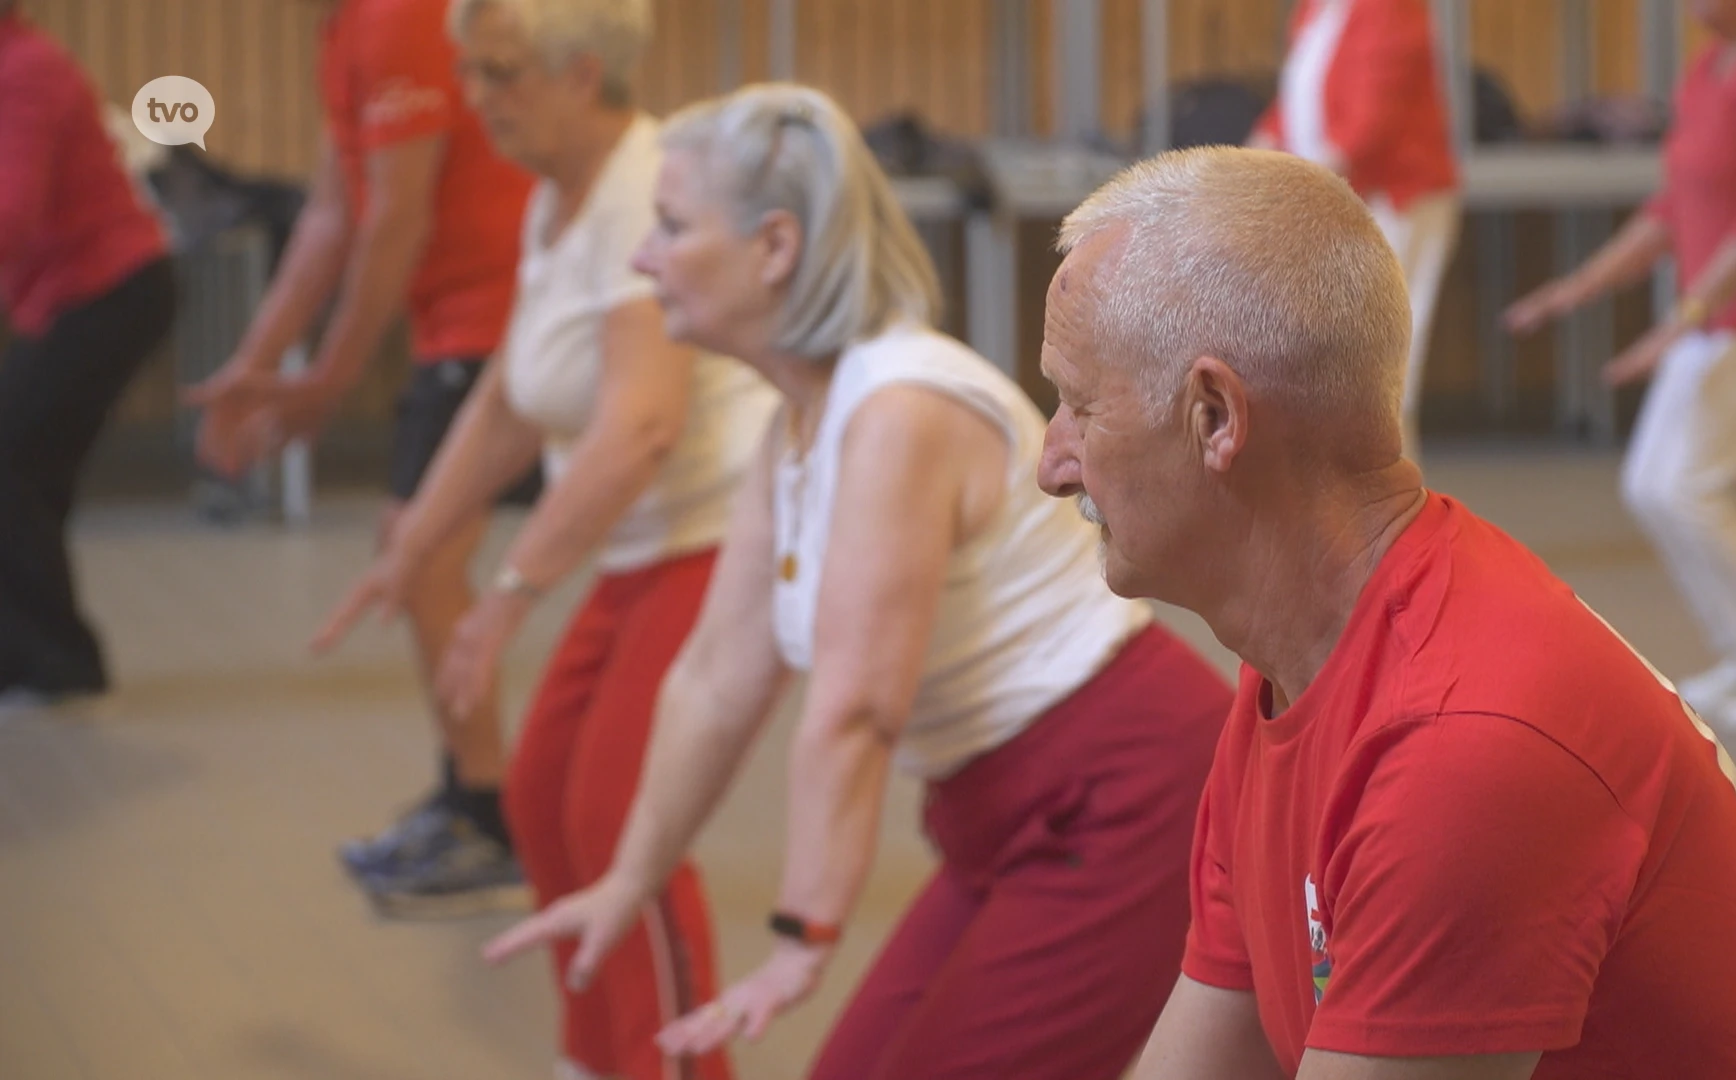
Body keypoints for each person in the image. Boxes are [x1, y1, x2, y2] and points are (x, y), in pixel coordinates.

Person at [1036, 144, 1736, 1080]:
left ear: (1216, 418)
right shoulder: (1294, 663)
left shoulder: (1460, 745)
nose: (1052, 464)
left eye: (1079, 406)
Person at [482, 83, 1234, 1080]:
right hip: (1000, 814)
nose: (642, 257)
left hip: (1125, 798)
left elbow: (856, 706)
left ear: (777, 247)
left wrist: (804, 934)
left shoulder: (899, 407)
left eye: (670, 226)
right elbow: (716, 677)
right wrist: (630, 878)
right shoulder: (797, 421)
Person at [314, 1, 776, 1071]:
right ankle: (597, 1058)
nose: (477, 100)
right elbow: (513, 398)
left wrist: (509, 592)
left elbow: (640, 427)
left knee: (625, 826)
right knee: (540, 799)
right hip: (644, 545)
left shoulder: (645, 192)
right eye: (470, 73)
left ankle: (672, 1065)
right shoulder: (556, 200)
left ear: (581, 74)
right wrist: (414, 545)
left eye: (502, 73)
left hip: (721, 533)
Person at [189, 0, 537, 902]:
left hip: (501, 319)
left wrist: (330, 380)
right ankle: (477, 798)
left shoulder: (397, 19)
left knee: (421, 558)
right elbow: (330, 214)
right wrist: (256, 361)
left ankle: (487, 811)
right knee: (419, 556)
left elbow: (398, 219)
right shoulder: (346, 26)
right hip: (459, 324)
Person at [1506, 0, 1736, 735]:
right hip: (1717, 315)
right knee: (1652, 485)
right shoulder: (1709, 64)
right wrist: (1579, 288)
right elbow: (1673, 206)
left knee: (1690, 487)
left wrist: (1679, 323)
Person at [0, 1, 177, 703]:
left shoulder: (25, 67)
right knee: (23, 470)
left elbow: (12, 210)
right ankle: (29, 651)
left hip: (112, 292)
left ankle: (60, 657)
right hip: (74, 298)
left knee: (12, 465)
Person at [1246, 0, 1458, 462]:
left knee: (1384, 374)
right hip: (1337, 201)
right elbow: (1296, 102)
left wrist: (1290, 189)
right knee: (1342, 370)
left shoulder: (1392, 8)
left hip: (1395, 203)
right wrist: (1243, 162)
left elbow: (1368, 126)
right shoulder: (1318, 8)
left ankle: (1399, 511)